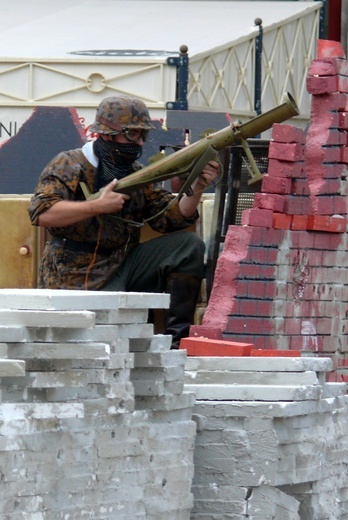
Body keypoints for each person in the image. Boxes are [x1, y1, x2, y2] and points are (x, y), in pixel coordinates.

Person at [28, 95, 219, 348]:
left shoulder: (136, 173)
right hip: (74, 274)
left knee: (188, 245)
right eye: (132, 135)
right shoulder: (70, 163)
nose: (139, 143)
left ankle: (177, 344)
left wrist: (196, 186)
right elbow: (41, 213)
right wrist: (96, 206)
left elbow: (170, 218)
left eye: (142, 136)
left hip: (123, 263)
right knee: (104, 339)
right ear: (106, 135)